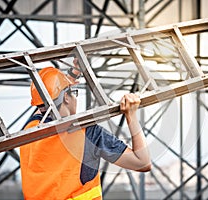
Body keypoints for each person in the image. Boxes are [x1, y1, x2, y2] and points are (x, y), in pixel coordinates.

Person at [20, 58, 151, 200]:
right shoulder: (86, 133)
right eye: (73, 93)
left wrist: (72, 76)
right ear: (66, 97)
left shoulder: (29, 130)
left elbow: (45, 104)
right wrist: (131, 115)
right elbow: (142, 162)